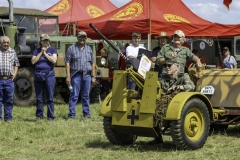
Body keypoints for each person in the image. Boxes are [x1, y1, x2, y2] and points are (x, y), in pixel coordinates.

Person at [149, 58, 195, 144]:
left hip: (177, 102)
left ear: (177, 67)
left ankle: (178, 137)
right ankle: (157, 137)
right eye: (165, 66)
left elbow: (191, 86)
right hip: (164, 101)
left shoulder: (183, 76)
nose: (167, 67)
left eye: (169, 65)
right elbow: (156, 85)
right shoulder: (163, 77)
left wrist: (177, 87)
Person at [64, 31, 96, 119]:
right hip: (76, 75)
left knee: (85, 95)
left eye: (84, 37)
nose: (82, 39)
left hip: (87, 75)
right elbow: (67, 63)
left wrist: (93, 76)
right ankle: (72, 115)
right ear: (77, 38)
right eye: (80, 37)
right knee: (74, 95)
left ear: (86, 39)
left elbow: (93, 63)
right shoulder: (71, 48)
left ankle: (87, 114)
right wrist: (68, 76)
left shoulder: (89, 49)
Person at [31, 34, 57, 121]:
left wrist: (45, 54)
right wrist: (40, 53)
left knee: (50, 97)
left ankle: (50, 117)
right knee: (39, 97)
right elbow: (33, 61)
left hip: (49, 75)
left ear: (49, 41)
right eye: (43, 40)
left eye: (47, 40)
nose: (45, 42)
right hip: (38, 74)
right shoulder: (36, 50)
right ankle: (39, 116)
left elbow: (54, 61)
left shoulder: (52, 50)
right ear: (40, 42)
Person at [0, 36, 20, 122]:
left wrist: (15, 73)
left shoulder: (12, 51)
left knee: (9, 100)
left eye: (7, 42)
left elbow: (16, 63)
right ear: (0, 43)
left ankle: (8, 118)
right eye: (4, 42)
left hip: (9, 80)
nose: (6, 44)